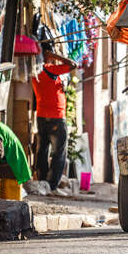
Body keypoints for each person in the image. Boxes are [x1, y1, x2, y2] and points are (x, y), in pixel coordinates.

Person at [31, 44, 77, 195]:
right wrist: (54, 56)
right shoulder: (48, 68)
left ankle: (43, 183)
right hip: (56, 117)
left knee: (42, 150)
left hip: (42, 116)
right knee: (59, 153)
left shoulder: (34, 72)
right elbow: (72, 64)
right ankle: (51, 186)